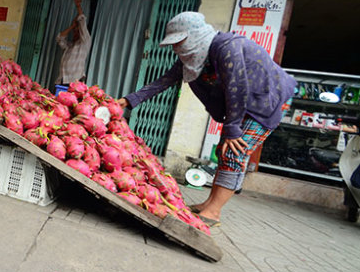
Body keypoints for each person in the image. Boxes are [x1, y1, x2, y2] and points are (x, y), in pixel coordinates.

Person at [117, 12, 297, 227]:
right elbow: (164, 81)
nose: (176, 49)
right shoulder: (192, 58)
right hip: (243, 104)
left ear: (194, 36)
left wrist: (232, 127)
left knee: (234, 151)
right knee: (224, 150)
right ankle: (209, 203)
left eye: (179, 42)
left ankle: (214, 212)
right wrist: (128, 101)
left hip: (266, 101)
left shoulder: (226, 47)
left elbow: (236, 86)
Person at [55, 0, 92, 86]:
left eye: (77, 31)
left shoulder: (84, 43)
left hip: (75, 82)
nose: (75, 33)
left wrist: (78, 7)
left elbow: (82, 22)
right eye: (74, 31)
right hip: (63, 80)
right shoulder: (69, 45)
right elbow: (59, 38)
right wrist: (72, 26)